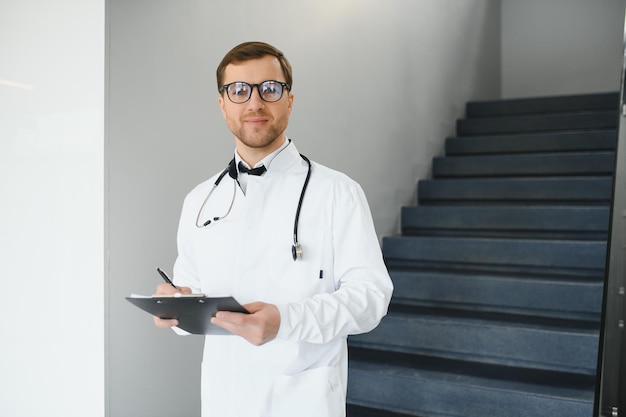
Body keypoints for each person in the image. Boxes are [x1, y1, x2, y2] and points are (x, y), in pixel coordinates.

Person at [153, 41, 393, 417]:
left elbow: (371, 298)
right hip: (224, 399)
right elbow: (193, 291)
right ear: (222, 105)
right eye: (238, 91)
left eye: (270, 88)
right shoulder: (199, 200)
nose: (254, 103)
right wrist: (176, 305)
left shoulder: (338, 192)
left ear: (289, 101)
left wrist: (287, 321)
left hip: (303, 400)